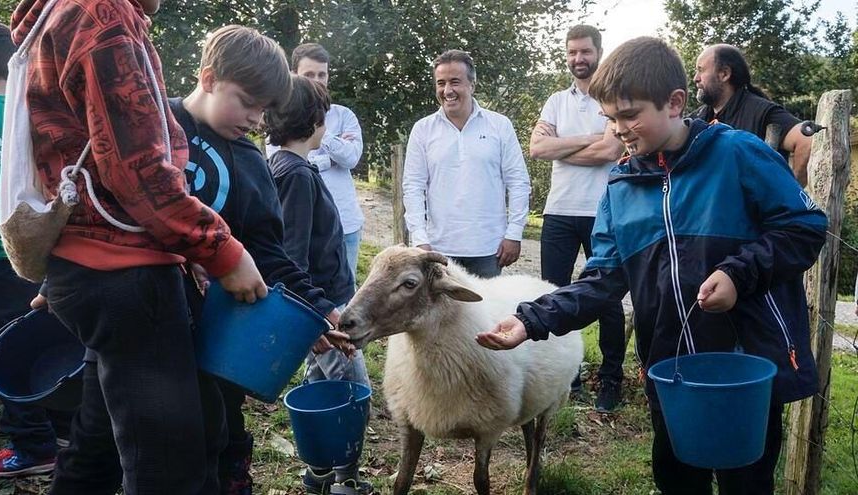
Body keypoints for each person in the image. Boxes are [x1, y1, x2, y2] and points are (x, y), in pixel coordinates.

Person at [477, 37, 827, 495]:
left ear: (675, 103)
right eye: (610, 119)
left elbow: (804, 227)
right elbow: (602, 280)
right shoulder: (620, 188)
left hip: (744, 367)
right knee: (678, 480)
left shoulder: (737, 153)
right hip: (671, 371)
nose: (619, 129)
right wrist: (531, 320)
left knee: (748, 481)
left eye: (629, 114)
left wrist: (738, 274)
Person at [10, 1, 268, 493]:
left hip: (96, 265)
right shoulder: (101, 16)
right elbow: (137, 171)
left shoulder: (66, 13)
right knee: (169, 467)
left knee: (105, 443)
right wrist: (222, 251)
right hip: (124, 274)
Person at [170, 25, 351, 495]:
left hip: (220, 331)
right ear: (209, 78)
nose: (255, 119)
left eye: (264, 110)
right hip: (150, 318)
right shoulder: (155, 126)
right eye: (247, 102)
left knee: (219, 424)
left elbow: (271, 253)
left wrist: (317, 310)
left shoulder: (252, 165)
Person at [267, 76, 374, 495]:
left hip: (324, 304)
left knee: (319, 386)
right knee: (353, 392)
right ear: (314, 120)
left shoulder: (293, 166)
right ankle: (343, 479)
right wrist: (314, 321)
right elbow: (292, 257)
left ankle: (319, 475)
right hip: (323, 310)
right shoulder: (294, 174)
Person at [0, 20, 71, 478]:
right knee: (34, 342)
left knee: (2, 353)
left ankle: (32, 446)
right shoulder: (27, 114)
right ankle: (60, 427)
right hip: (32, 257)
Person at [528, 24, 626, 412]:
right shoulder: (555, 101)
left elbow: (610, 151)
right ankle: (566, 376)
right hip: (559, 210)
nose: (578, 59)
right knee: (552, 293)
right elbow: (537, 148)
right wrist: (591, 138)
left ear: (598, 52)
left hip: (603, 209)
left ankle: (611, 379)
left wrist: (562, 147)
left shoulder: (611, 98)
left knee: (608, 298)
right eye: (572, 52)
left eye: (585, 51)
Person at [402, 49, 530, 278]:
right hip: (438, 250)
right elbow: (412, 186)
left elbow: (518, 182)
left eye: (455, 82)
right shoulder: (423, 129)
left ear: (472, 84)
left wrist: (514, 233)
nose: (447, 90)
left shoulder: (499, 126)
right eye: (441, 83)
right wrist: (420, 240)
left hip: (488, 250)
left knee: (486, 314)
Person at [267, 43, 365, 283]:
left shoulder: (344, 115)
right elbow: (281, 158)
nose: (317, 80)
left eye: (322, 74)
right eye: (309, 74)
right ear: (293, 75)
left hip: (346, 221)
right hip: (303, 224)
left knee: (345, 289)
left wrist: (323, 130)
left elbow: (351, 158)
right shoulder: (282, 116)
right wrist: (330, 157)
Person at [690, 44, 811, 186]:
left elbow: (806, 141)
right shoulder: (698, 118)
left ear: (724, 74)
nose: (695, 78)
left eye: (701, 70)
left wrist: (793, 194)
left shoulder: (761, 111)